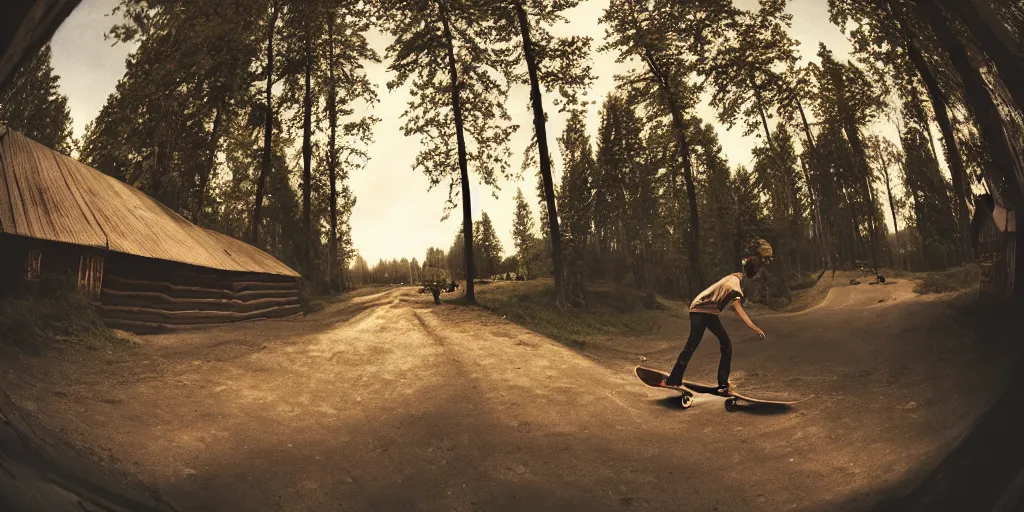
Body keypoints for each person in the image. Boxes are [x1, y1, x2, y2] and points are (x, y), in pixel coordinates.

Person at [662, 246, 769, 394]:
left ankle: (723, 384)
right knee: (692, 345)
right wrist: (755, 328)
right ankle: (673, 381)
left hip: (709, 312)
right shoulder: (735, 286)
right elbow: (741, 312)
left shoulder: (735, 277)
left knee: (726, 343)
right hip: (699, 310)